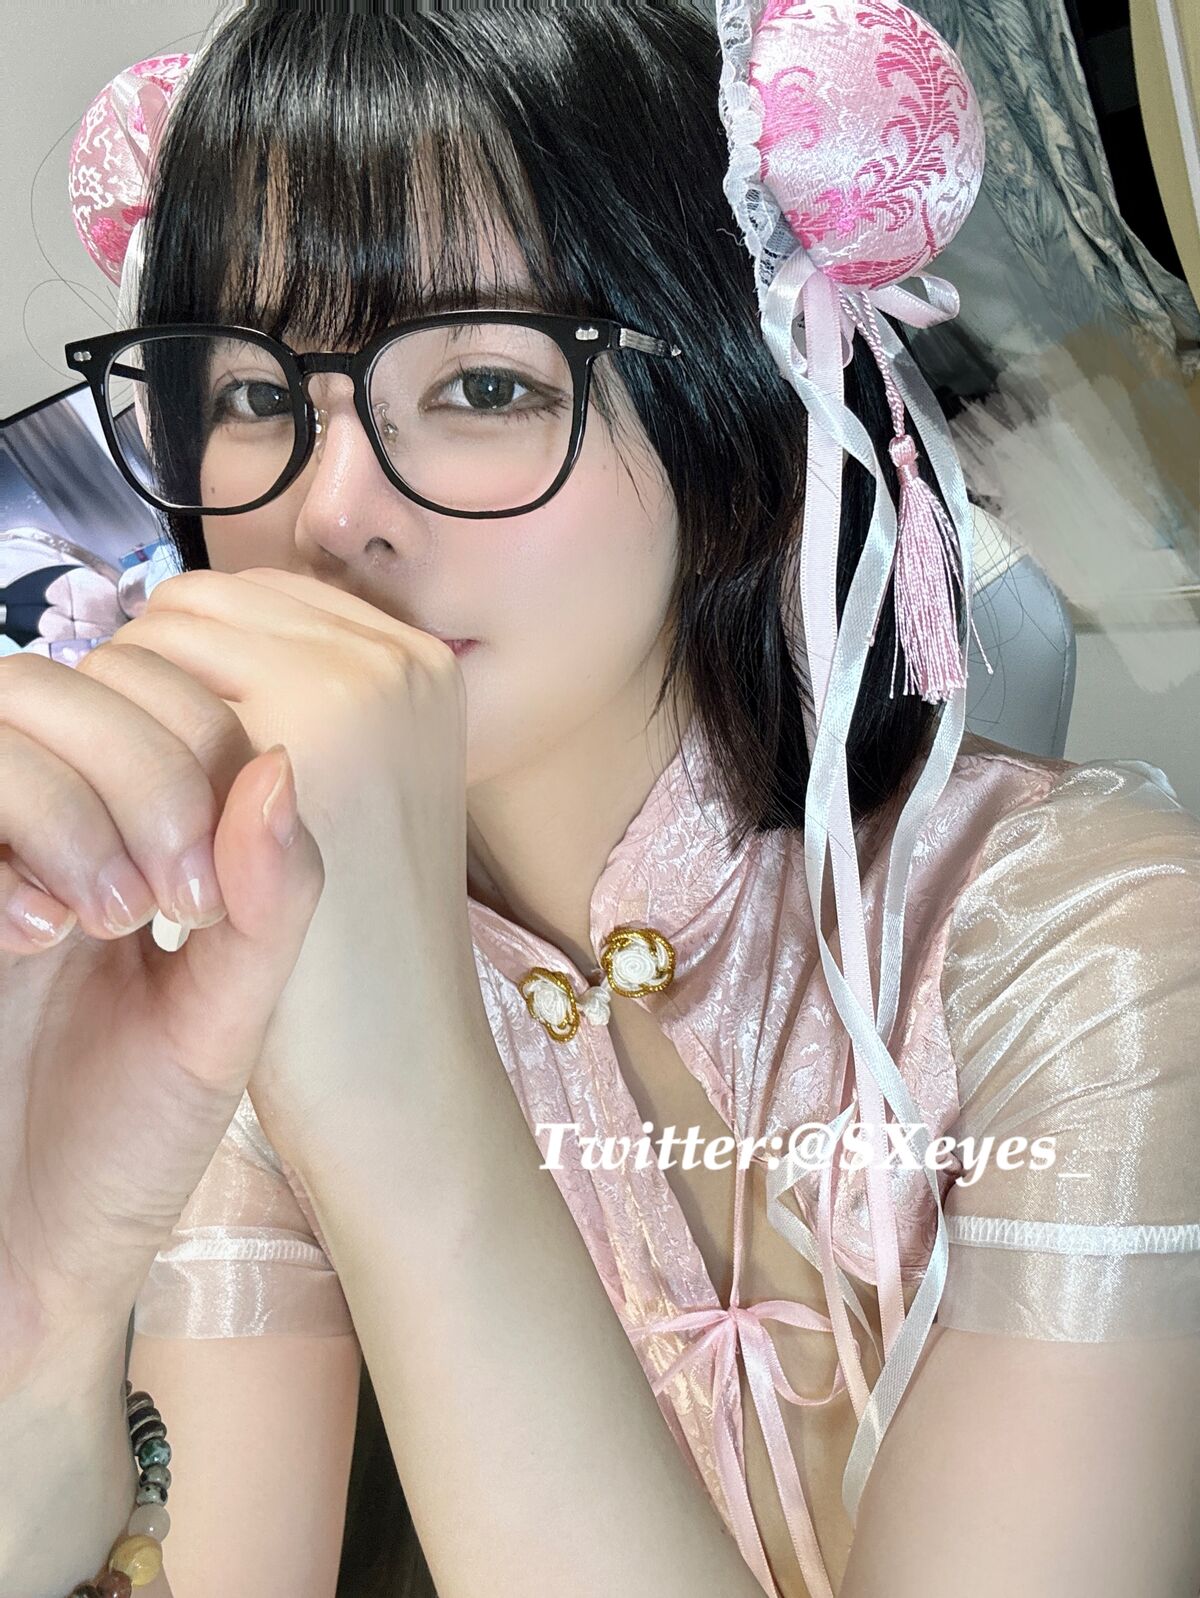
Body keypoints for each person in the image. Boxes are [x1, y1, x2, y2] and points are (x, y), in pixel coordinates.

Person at [2, 5, 1199, 1598]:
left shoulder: (1098, 954)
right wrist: (42, 1308)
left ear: (732, 406)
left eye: (487, 385)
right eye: (252, 394)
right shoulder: (238, 980)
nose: (332, 511)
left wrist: (404, 1089)